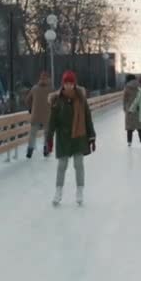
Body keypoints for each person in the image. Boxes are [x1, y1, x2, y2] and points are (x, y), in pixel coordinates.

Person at [46, 70, 96, 206]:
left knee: (78, 164)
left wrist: (92, 136)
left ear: (74, 84)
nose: (69, 86)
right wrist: (49, 138)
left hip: (79, 137)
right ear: (63, 84)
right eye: (66, 83)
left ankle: (80, 191)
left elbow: (87, 118)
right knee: (62, 165)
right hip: (63, 137)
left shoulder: (81, 99)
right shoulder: (57, 100)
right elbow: (52, 121)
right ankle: (58, 191)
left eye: (71, 83)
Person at [25, 72, 52, 158]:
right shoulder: (51, 89)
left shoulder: (34, 88)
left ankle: (30, 150)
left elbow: (27, 100)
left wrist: (30, 109)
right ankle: (46, 149)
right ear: (48, 79)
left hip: (35, 115)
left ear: (39, 79)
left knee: (33, 133)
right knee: (47, 134)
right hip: (47, 116)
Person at [123, 74, 141, 147]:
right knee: (140, 127)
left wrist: (124, 108)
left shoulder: (127, 87)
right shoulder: (140, 86)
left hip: (130, 109)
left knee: (129, 127)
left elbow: (125, 99)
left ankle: (129, 142)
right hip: (139, 108)